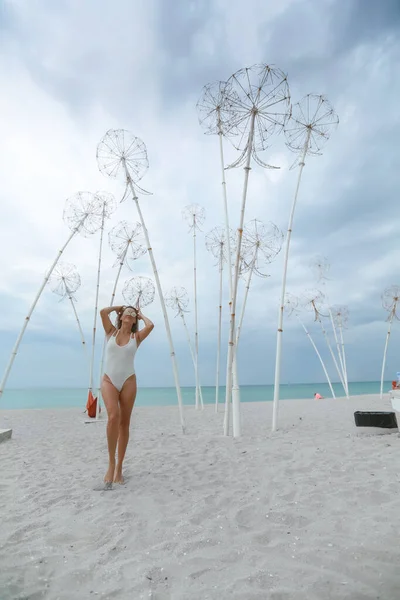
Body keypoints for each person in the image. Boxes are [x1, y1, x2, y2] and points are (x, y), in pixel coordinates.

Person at [100, 304, 154, 486]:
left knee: (124, 424)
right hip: (109, 380)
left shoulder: (136, 337)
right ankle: (111, 463)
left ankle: (119, 467)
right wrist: (118, 307)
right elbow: (102, 312)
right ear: (121, 316)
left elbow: (151, 325)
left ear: (134, 319)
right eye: (127, 313)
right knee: (113, 416)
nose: (130, 315)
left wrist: (141, 315)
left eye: (133, 314)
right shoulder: (111, 332)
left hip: (129, 381)